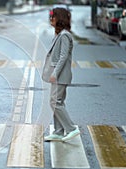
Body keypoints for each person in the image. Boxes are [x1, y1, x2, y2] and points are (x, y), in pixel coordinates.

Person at [42, 7, 80, 142]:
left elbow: (63, 56)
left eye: (53, 16)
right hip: (59, 75)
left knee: (55, 102)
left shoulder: (64, 35)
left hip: (60, 75)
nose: (51, 19)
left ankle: (71, 129)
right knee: (57, 101)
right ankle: (58, 132)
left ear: (60, 19)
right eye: (50, 17)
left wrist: (55, 73)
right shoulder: (60, 34)